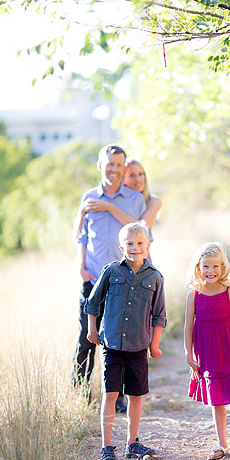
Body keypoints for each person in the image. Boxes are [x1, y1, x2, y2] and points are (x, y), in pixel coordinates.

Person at [84, 221, 166, 460]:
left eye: (140, 243)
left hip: (139, 346)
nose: (135, 248)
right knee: (110, 394)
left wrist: (155, 343)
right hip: (112, 345)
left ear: (147, 246)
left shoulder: (155, 277)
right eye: (130, 244)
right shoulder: (111, 271)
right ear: (122, 247)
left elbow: (159, 314)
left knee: (136, 395)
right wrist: (92, 329)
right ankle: (107, 447)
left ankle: (132, 443)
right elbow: (93, 301)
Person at [73, 144, 148, 397]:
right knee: (86, 337)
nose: (113, 169)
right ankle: (80, 395)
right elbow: (81, 235)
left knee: (119, 343)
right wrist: (81, 266)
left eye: (118, 165)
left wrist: (109, 208)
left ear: (123, 168)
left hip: (123, 281)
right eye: (109, 164)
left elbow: (140, 229)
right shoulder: (88, 197)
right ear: (100, 165)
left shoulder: (135, 199)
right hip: (92, 278)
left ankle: (117, 400)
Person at [184, 242, 230, 460]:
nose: (211, 271)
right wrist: (189, 354)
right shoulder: (194, 294)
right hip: (207, 354)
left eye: (215, 266)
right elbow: (188, 327)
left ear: (222, 268)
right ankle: (222, 444)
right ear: (198, 268)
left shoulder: (229, 292)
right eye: (206, 266)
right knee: (216, 401)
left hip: (229, 351)